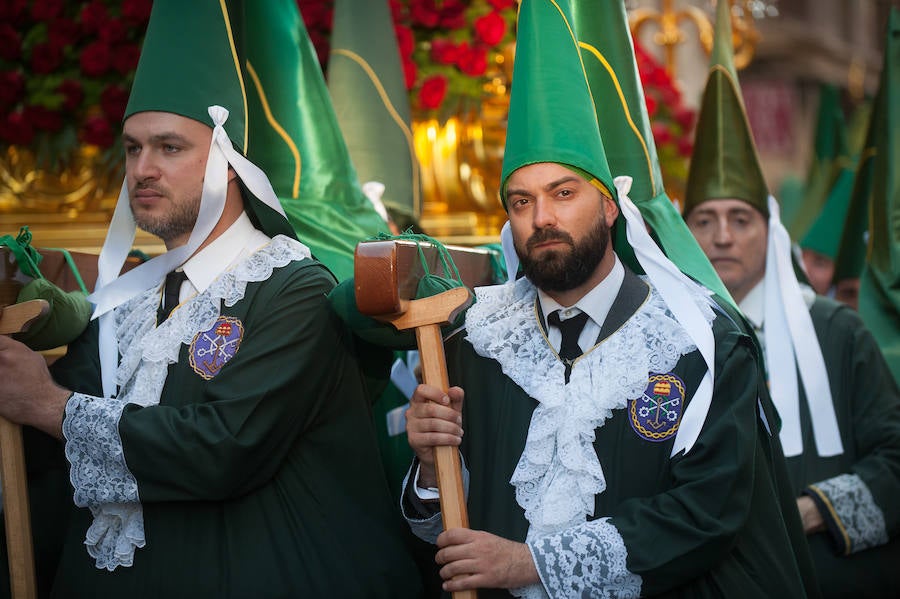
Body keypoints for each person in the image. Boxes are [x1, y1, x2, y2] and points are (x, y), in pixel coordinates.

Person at [0, 2, 423, 597]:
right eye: (132, 148)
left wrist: (48, 406)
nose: (142, 169)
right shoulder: (129, 300)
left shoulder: (293, 289)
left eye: (169, 148)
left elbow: (226, 447)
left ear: (229, 165)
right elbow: (46, 453)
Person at [400, 1, 819, 596]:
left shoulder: (699, 345)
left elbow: (707, 513)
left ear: (609, 206)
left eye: (563, 192)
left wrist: (532, 563)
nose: (541, 218)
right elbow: (446, 534)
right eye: (520, 202)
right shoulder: (475, 341)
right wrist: (426, 463)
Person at [683, 3, 900, 597]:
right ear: (686, 235)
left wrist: (812, 508)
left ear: (771, 231)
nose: (723, 236)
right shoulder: (669, 342)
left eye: (740, 218)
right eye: (704, 219)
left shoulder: (835, 331)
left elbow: (896, 458)